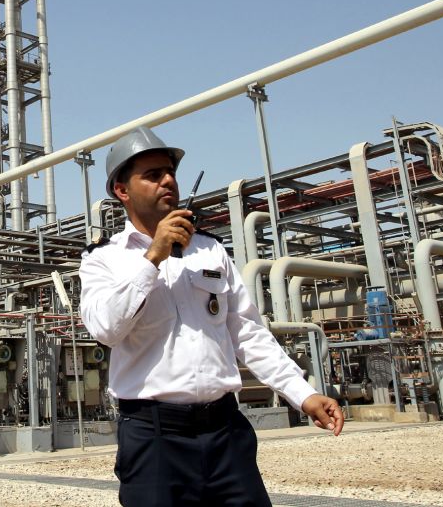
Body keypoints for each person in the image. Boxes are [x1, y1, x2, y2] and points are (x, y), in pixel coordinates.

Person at [80, 126, 344, 507]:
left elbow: (248, 333)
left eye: (170, 173)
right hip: (154, 438)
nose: (167, 180)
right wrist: (153, 256)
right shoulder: (102, 259)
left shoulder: (210, 251)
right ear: (122, 191)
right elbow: (106, 329)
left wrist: (302, 394)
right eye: (152, 175)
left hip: (225, 432)